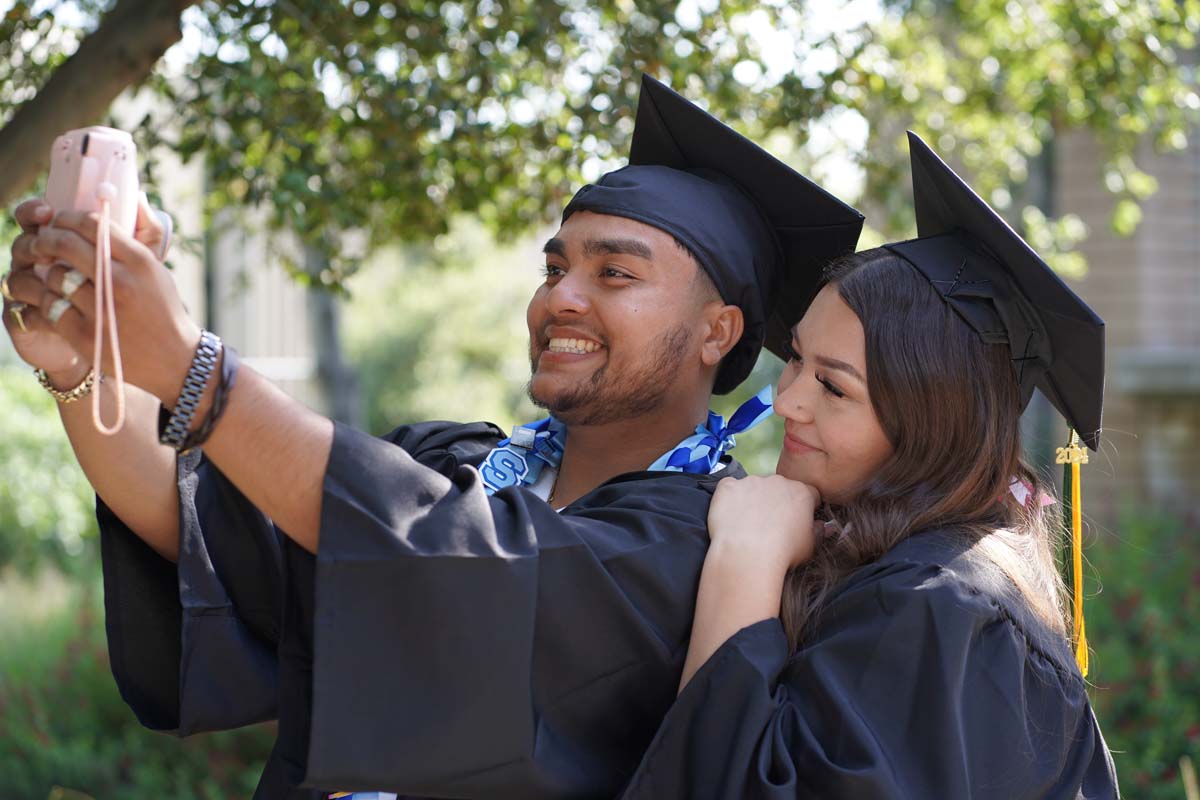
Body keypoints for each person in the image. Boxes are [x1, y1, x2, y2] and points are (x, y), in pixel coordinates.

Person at [0, 76, 863, 798]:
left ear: (718, 333)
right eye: (555, 267)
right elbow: (200, 528)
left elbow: (457, 569)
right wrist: (84, 363)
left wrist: (198, 369)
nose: (561, 297)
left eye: (616, 273)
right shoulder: (450, 462)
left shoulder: (704, 546)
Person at [619, 132, 1120, 799]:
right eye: (795, 358)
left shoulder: (934, 601)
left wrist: (745, 560)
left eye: (834, 387)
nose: (788, 400)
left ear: (929, 424)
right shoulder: (918, 570)